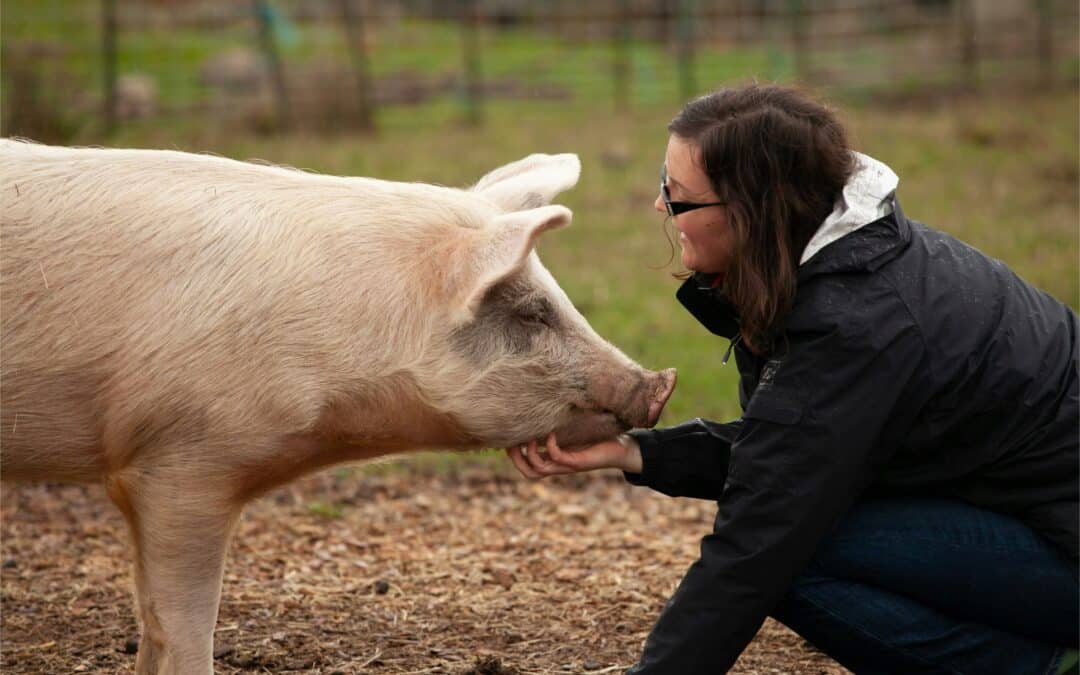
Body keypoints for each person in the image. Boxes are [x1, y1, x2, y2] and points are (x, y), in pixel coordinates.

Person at [505, 84, 1079, 674]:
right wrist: (633, 454)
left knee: (796, 553)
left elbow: (766, 528)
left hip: (1063, 545)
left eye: (677, 197)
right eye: (662, 183)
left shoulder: (855, 322)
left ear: (750, 211)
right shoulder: (845, 259)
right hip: (1024, 510)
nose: (659, 207)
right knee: (796, 529)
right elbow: (802, 451)